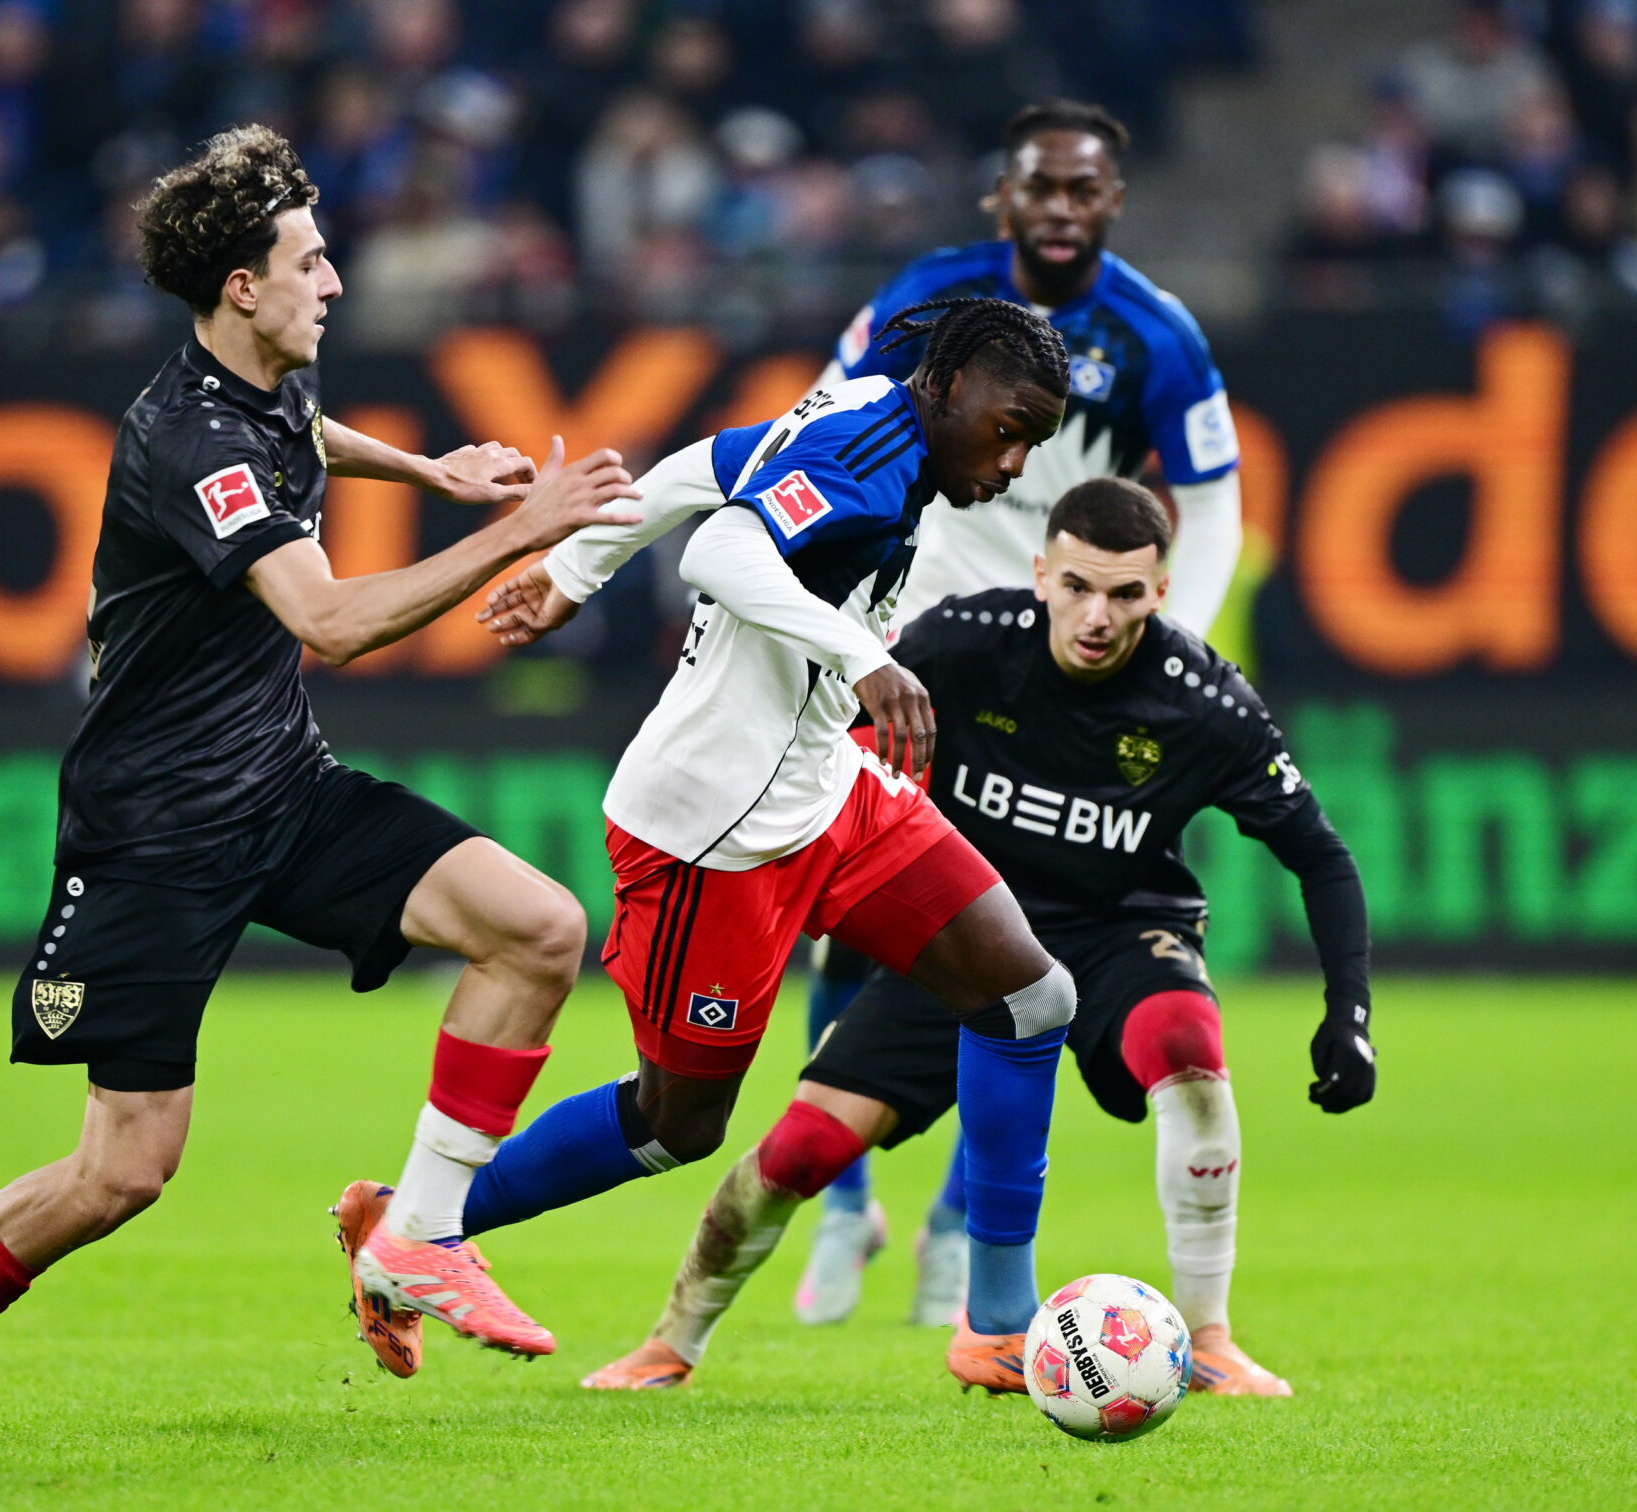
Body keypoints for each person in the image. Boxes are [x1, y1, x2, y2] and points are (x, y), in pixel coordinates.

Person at [0, 126, 642, 1446]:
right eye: (311, 263)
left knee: (539, 926)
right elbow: (327, 624)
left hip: (280, 787)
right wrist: (516, 528)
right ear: (240, 288)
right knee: (122, 1172)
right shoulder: (191, 435)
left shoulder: (258, 388)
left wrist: (428, 471)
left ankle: (412, 1235)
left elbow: (307, 432)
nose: (337, 283)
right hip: (153, 836)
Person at [390, 297, 1078, 1386]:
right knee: (676, 1128)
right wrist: (864, 658)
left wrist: (575, 575)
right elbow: (720, 547)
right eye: (1008, 428)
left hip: (826, 789)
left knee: (1029, 998)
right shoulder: (866, 446)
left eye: (1035, 442)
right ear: (946, 389)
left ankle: (995, 1322)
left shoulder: (860, 402)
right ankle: (412, 1223)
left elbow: (694, 471)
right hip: (710, 835)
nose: (1013, 462)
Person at [580, 479, 1374, 1396]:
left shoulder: (1205, 702)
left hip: (1120, 932)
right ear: (1041, 573)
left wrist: (1348, 1011)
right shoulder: (964, 643)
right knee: (800, 1150)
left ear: (1161, 593)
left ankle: (1213, 1339)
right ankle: (671, 1342)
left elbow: (1321, 855)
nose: (1097, 616)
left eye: (1126, 596)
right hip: (962, 940)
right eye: (1077, 586)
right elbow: (814, 734)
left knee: (1189, 1052)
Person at [800, 98, 1247, 1326]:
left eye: (1082, 191)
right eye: (1039, 188)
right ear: (1003, 194)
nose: (1059, 209)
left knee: (1007, 942)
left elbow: (1209, 498)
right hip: (913, 640)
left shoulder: (1156, 334)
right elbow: (829, 425)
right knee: (843, 912)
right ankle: (841, 1211)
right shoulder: (929, 295)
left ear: (1113, 200)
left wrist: (1173, 632)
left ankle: (954, 1226)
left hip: (1058, 656)